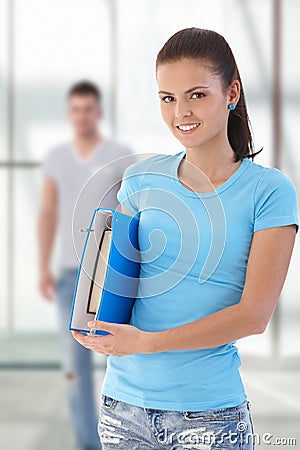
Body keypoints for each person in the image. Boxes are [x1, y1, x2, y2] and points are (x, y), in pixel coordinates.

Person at [71, 29, 299, 450]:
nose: (181, 112)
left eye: (196, 95)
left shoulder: (269, 191)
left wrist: (146, 344)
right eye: (167, 98)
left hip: (209, 414)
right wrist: (92, 320)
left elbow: (254, 315)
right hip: (123, 409)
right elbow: (116, 281)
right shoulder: (141, 178)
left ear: (231, 93)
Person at [38, 79, 137, 450]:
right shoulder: (56, 157)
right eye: (75, 109)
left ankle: (125, 438)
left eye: (88, 109)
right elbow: (47, 211)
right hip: (68, 274)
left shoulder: (119, 154)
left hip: (110, 274)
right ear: (69, 114)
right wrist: (42, 267)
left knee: (120, 357)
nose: (82, 116)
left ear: (99, 112)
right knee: (75, 369)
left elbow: (133, 210)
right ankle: (87, 444)